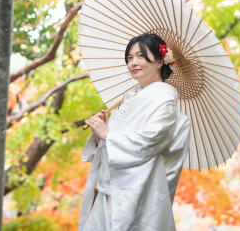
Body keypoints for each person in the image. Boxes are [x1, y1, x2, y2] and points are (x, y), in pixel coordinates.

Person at [79, 33, 191, 231]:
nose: (133, 63)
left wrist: (107, 135)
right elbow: (113, 140)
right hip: (109, 186)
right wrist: (100, 132)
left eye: (140, 56)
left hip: (134, 192)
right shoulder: (131, 96)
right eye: (130, 58)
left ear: (159, 61)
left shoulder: (164, 101)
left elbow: (148, 142)